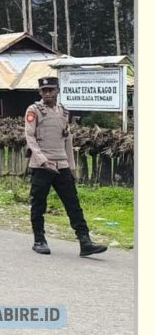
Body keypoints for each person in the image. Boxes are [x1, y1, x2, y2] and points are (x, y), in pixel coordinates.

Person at [25, 77, 107, 257]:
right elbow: (30, 138)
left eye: (51, 90)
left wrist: (71, 166)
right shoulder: (34, 110)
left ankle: (85, 242)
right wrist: (43, 160)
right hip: (41, 166)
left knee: (73, 204)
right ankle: (39, 240)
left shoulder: (63, 112)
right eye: (44, 90)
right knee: (38, 203)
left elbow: (67, 139)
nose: (47, 93)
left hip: (61, 164)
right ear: (39, 92)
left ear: (57, 91)